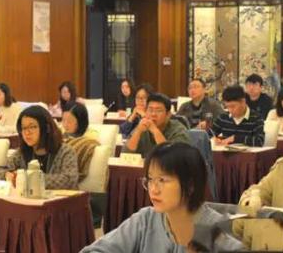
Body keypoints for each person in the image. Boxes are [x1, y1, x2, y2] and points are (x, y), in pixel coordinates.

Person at [81, 142, 242, 252]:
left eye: (162, 180)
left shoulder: (217, 231)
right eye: (150, 179)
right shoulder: (146, 219)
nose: (153, 189)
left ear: (190, 185)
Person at [0, 105, 79, 189]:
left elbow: (69, 180)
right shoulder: (22, 152)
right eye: (23, 128)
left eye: (32, 127)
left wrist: (29, 179)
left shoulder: (65, 151)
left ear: (46, 128)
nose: (27, 133)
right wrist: (7, 175)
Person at [128, 93, 190, 158]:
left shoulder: (178, 130)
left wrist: (154, 130)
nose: (153, 114)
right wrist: (138, 131)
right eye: (150, 110)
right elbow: (126, 153)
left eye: (158, 111)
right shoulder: (142, 127)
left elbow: (172, 157)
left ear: (168, 115)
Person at [62, 103, 100, 182]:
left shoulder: (91, 135)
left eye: (69, 121)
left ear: (80, 121)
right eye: (63, 120)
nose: (65, 125)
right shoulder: (61, 132)